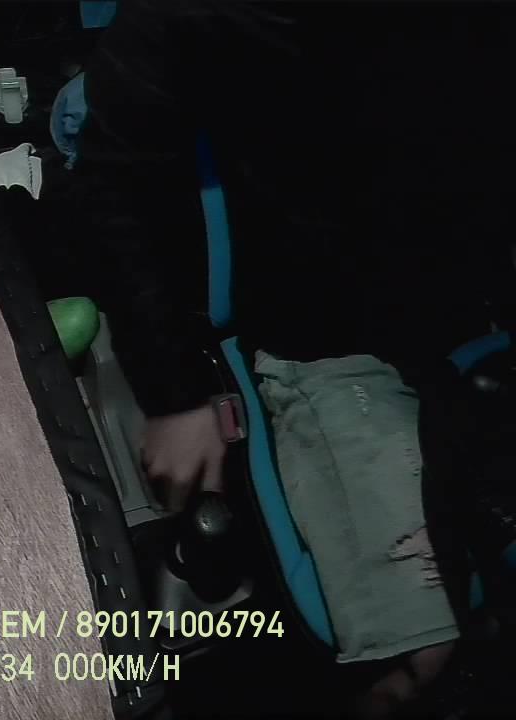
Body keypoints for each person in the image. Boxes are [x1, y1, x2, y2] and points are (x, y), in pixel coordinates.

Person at [78, 0, 516, 715]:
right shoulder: (197, 20)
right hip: (331, 338)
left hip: (469, 311)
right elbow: (114, 189)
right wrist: (175, 393)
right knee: (425, 657)